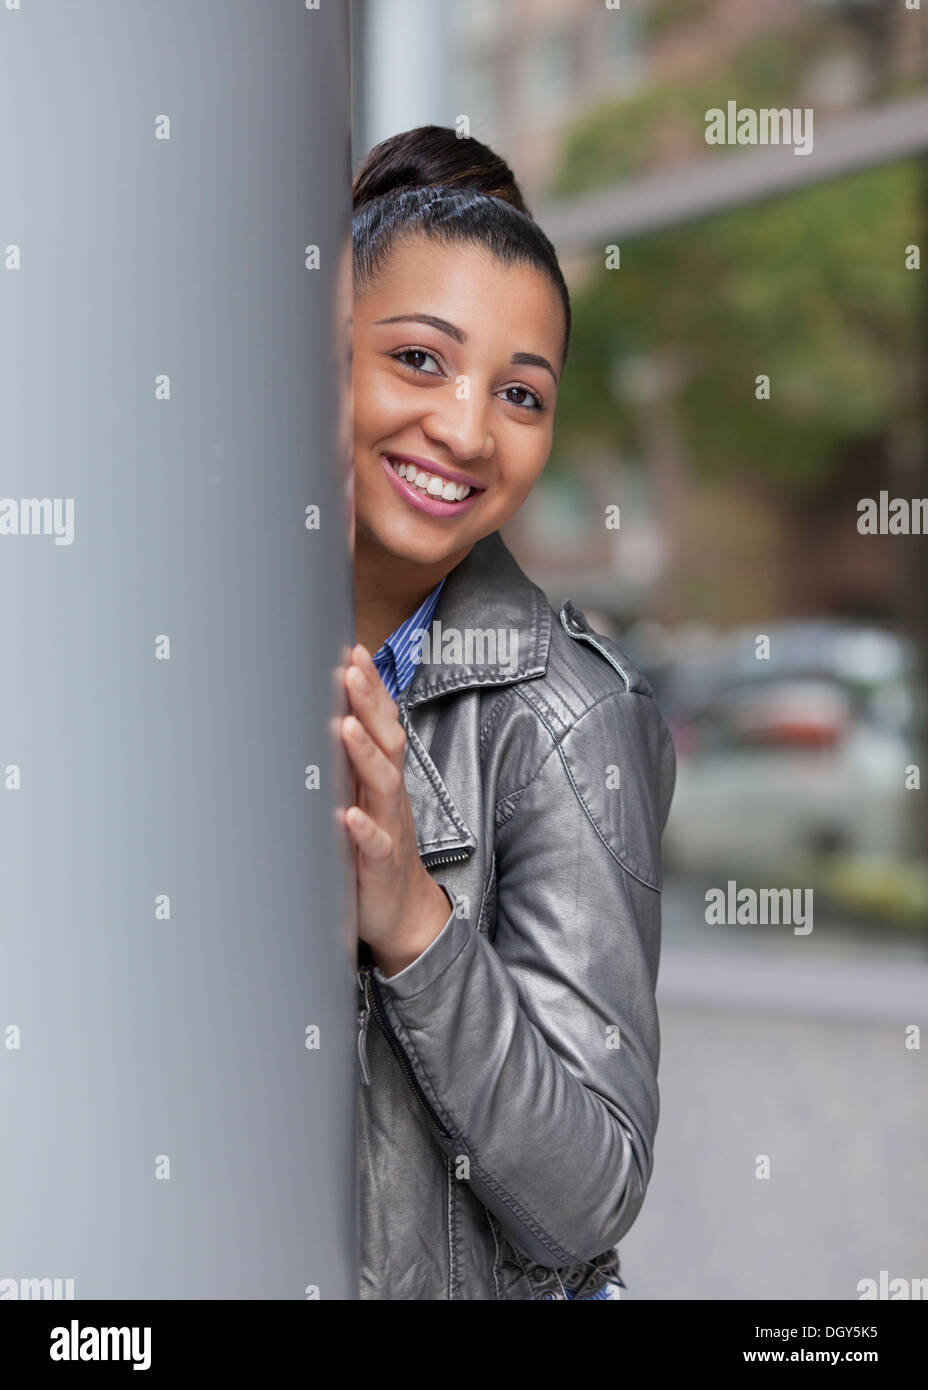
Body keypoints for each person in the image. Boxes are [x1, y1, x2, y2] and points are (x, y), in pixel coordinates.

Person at [339, 124, 676, 1301]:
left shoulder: (570, 714)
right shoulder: (195, 658)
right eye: (420, 361)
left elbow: (586, 1197)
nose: (468, 431)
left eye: (519, 393)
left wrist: (414, 924)